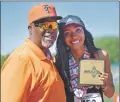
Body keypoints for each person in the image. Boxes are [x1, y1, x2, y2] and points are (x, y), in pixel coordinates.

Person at [1, 3, 66, 102]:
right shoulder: (22, 60)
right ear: (31, 29)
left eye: (53, 25)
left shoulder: (48, 58)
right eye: (44, 25)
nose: (50, 29)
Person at [55, 15, 115, 102]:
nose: (74, 36)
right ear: (63, 39)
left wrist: (105, 84)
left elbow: (110, 94)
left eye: (78, 30)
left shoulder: (100, 55)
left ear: (84, 32)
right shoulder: (60, 61)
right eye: (67, 33)